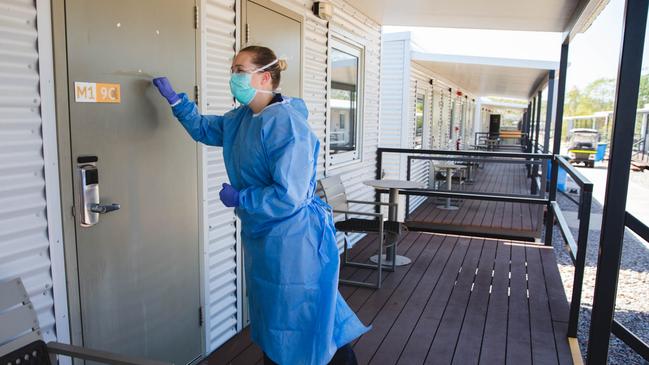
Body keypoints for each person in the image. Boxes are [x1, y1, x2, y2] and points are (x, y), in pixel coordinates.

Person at [152, 46, 369, 365]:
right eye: (233, 70)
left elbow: (289, 196)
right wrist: (176, 101)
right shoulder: (241, 119)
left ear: (265, 77)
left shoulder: (287, 125)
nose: (233, 77)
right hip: (265, 235)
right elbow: (205, 129)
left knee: (302, 315)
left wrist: (243, 198)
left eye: (240, 70)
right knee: (279, 316)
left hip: (294, 239)